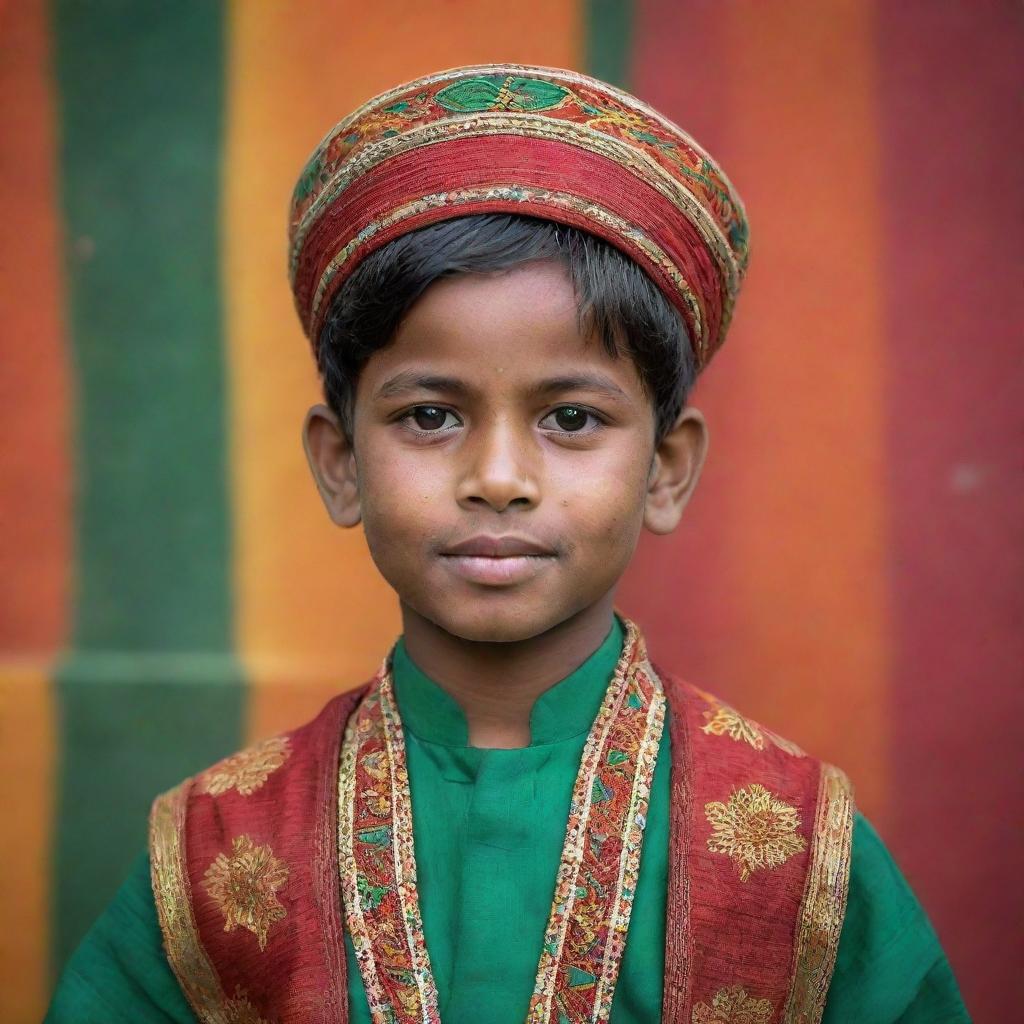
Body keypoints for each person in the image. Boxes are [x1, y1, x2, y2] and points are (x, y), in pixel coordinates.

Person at [46, 64, 969, 1023]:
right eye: (431, 416)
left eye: (570, 417)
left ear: (666, 467)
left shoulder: (796, 853)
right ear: (340, 462)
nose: (497, 475)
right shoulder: (217, 854)